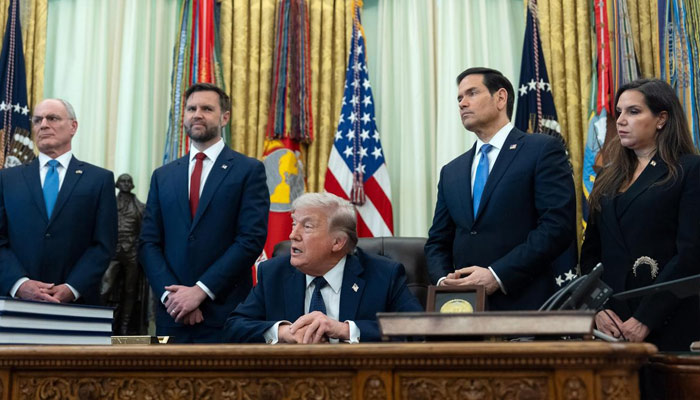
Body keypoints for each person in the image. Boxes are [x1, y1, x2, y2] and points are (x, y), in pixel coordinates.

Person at [424, 67, 576, 311]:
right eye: (459, 98)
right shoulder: (451, 171)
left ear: (501, 98)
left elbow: (557, 226)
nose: (462, 103)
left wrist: (497, 275)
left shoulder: (541, 150)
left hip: (525, 305)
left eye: (472, 93)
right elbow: (437, 242)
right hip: (463, 309)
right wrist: (444, 282)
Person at [139, 83, 269, 343]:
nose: (197, 114)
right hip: (172, 314)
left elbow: (250, 239)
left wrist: (200, 291)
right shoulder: (163, 176)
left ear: (224, 117)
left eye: (207, 109)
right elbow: (148, 243)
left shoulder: (248, 170)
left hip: (226, 314)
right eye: (191, 109)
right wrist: (173, 298)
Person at [580, 78, 700, 351]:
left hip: (668, 321)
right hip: (612, 325)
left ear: (661, 119)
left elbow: (691, 255)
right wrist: (599, 308)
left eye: (633, 111)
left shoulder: (690, 170)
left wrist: (646, 318)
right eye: (619, 112)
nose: (621, 120)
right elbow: (590, 256)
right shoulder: (607, 177)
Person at [224, 192, 422, 343]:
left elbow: (418, 328)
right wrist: (284, 332)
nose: (293, 235)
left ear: (337, 242)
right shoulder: (273, 273)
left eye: (307, 227)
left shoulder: (383, 275)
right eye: (294, 224)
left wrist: (345, 330)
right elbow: (234, 328)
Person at [0, 98, 117, 305]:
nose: (43, 125)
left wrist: (72, 288)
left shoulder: (99, 180)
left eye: (52, 118)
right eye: (37, 120)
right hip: (15, 305)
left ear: (73, 126)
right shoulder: (7, 179)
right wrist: (19, 284)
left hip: (76, 305)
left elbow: (103, 244)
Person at [101, 173, 147, 335]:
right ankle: (100, 322)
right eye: (123, 181)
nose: (126, 184)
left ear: (132, 185)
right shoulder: (109, 204)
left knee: (130, 290)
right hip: (113, 252)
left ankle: (125, 327)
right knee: (105, 288)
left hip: (132, 253)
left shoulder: (140, 207)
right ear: (117, 184)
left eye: (129, 181)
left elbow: (144, 231)